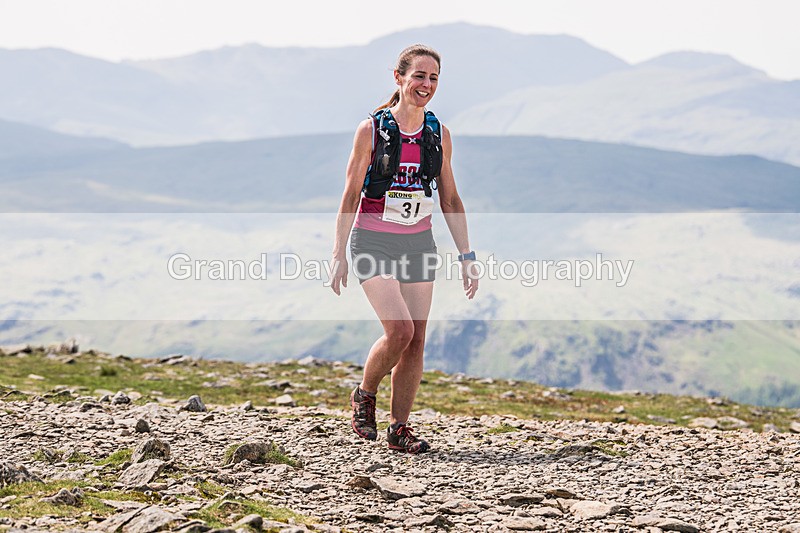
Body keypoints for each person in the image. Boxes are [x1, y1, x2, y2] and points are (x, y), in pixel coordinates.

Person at [330, 44, 478, 453]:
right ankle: (364, 393)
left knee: (417, 339)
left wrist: (467, 257)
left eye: (433, 78)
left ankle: (399, 428)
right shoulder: (372, 131)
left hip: (418, 240)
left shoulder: (437, 134)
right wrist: (339, 252)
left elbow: (450, 200)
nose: (426, 85)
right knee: (399, 330)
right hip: (373, 238)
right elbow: (350, 195)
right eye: (418, 76)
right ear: (398, 78)